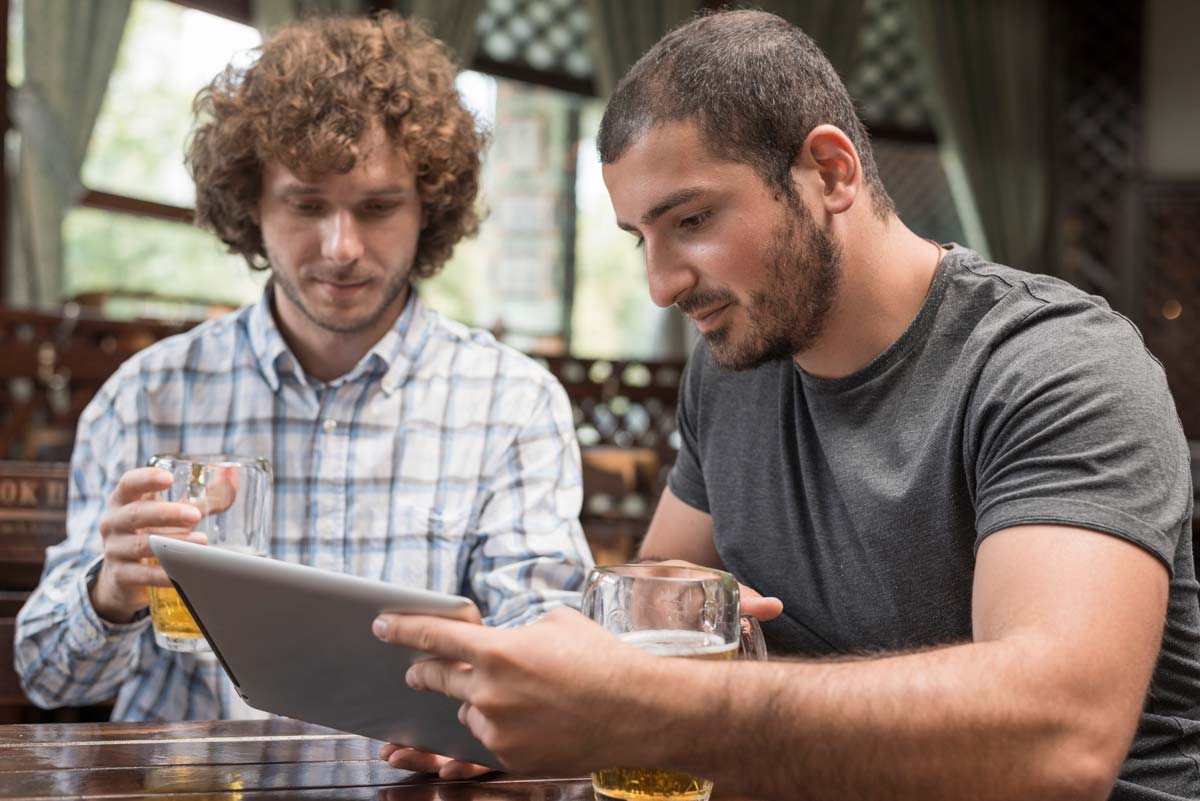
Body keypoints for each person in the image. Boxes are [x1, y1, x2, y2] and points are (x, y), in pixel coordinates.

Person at [371, 9, 1199, 799]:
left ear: (830, 172)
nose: (662, 284)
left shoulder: (1053, 367)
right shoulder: (733, 365)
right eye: (641, 239)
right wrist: (512, 709)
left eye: (691, 219)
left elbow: (1058, 740)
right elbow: (651, 596)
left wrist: (643, 710)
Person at [15, 12, 592, 723]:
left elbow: (548, 649)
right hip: (188, 778)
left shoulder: (513, 402)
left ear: (428, 208)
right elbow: (47, 678)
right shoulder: (145, 396)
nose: (341, 245)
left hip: (404, 776)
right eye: (305, 204)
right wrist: (109, 593)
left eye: (378, 207)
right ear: (250, 203)